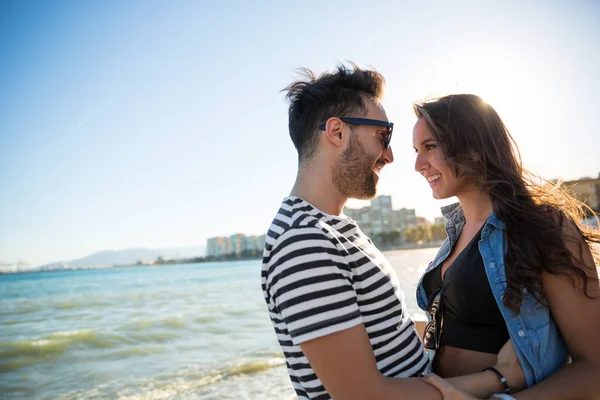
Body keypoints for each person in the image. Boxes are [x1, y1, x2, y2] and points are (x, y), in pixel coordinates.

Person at [261, 65, 524, 400]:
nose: (390, 155)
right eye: (383, 136)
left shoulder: (334, 230)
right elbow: (365, 395)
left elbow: (384, 334)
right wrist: (498, 378)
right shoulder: (304, 242)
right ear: (337, 133)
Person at [412, 94, 600, 399]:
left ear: (474, 147)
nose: (419, 164)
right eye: (416, 150)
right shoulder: (453, 237)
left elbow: (594, 369)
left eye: (430, 147)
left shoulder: (543, 228)